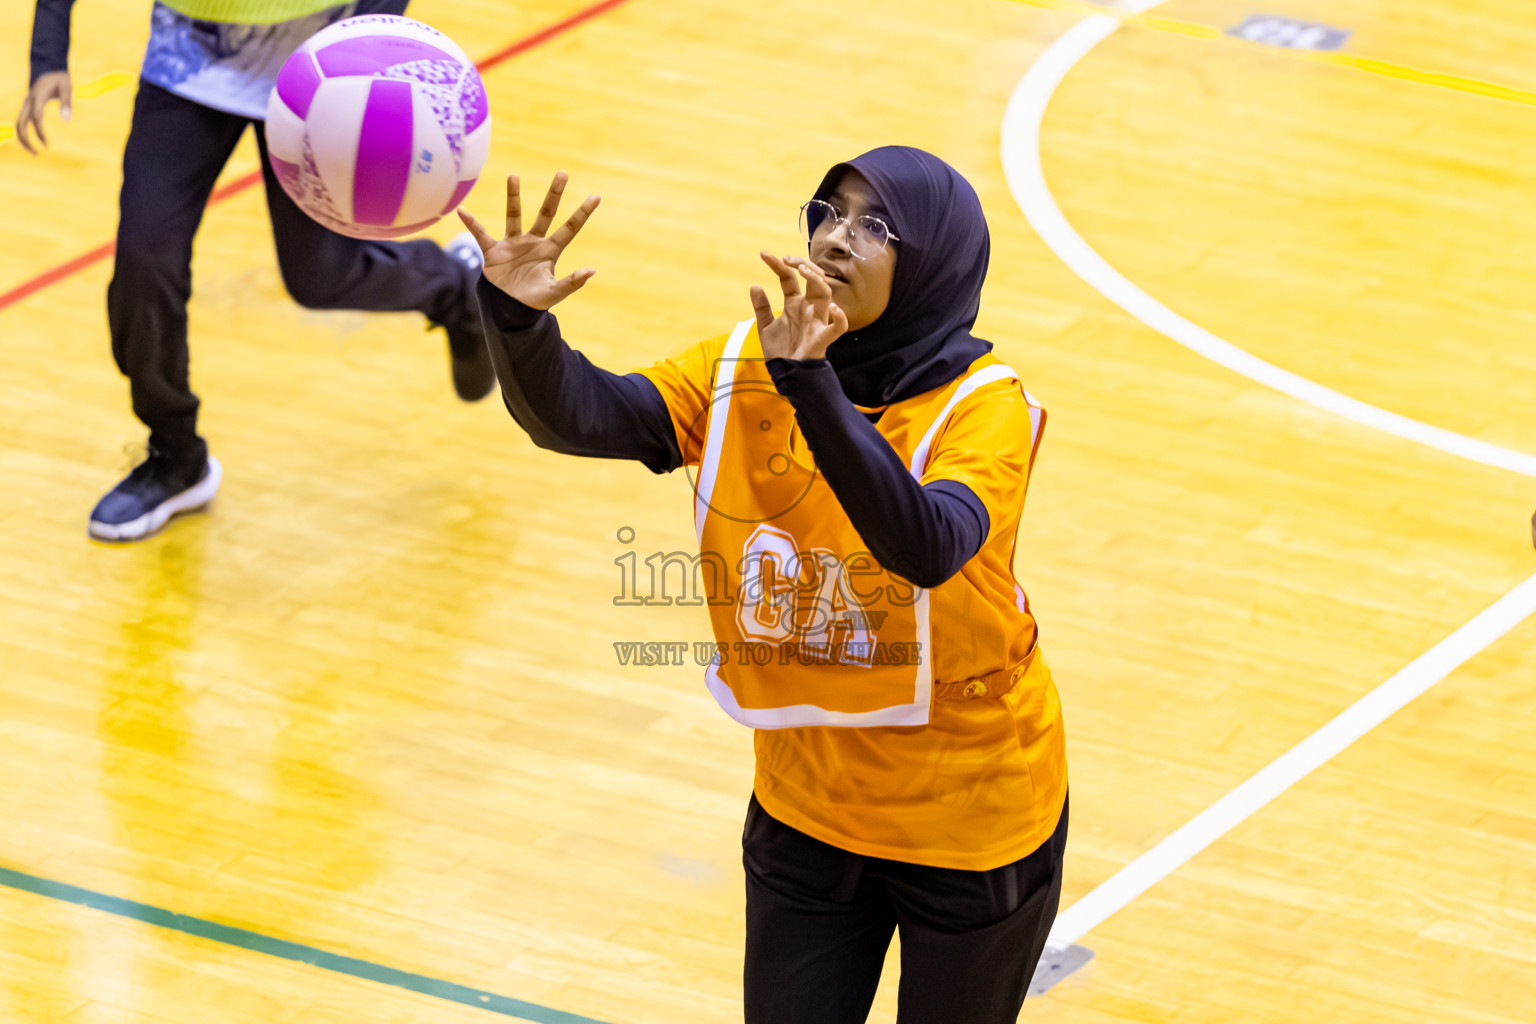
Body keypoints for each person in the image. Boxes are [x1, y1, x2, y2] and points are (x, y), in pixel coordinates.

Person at [457, 147, 1068, 1023]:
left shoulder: (984, 407)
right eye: (826, 212)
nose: (836, 237)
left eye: (874, 224)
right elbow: (585, 415)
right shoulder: (747, 361)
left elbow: (924, 545)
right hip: (807, 805)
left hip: (971, 820)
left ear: (933, 261)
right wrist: (515, 322)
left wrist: (810, 385)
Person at [17, 0, 495, 542]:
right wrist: (48, 55)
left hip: (325, 71)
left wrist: (369, 44)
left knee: (321, 280)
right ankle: (176, 457)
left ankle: (454, 288)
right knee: (144, 261)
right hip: (189, 61)